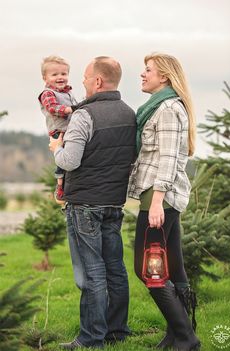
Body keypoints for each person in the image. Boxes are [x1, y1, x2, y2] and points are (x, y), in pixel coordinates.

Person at [49, 56, 136, 349]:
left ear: (97, 81)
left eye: (86, 78)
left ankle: (90, 338)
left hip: (85, 204)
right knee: (115, 268)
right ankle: (117, 332)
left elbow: (70, 161)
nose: (83, 83)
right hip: (114, 203)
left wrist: (56, 148)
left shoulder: (84, 116)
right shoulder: (129, 113)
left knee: (92, 273)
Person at [128, 53, 201, 351]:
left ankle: (186, 337)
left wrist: (156, 201)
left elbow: (169, 159)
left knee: (148, 269)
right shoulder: (160, 107)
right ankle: (177, 334)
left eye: (148, 70)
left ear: (165, 77)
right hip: (165, 197)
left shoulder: (168, 109)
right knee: (172, 267)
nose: (142, 75)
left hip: (159, 199)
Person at [39, 55, 78, 204]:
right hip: (58, 132)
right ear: (45, 78)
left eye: (63, 74)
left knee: (73, 157)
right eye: (54, 74)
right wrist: (69, 109)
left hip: (70, 130)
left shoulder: (68, 93)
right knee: (63, 160)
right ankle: (60, 187)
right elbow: (53, 108)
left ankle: (70, 184)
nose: (60, 77)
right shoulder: (48, 94)